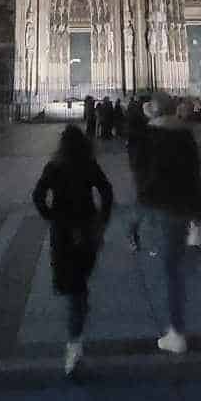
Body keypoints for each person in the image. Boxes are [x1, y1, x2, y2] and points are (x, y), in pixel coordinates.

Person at [32, 124, 114, 377]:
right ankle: (76, 331)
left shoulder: (54, 166)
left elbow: (37, 196)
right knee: (80, 282)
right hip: (87, 228)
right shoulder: (89, 164)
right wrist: (102, 219)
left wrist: (51, 217)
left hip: (63, 231)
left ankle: (74, 343)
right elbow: (107, 192)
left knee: (73, 286)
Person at [147, 100, 201, 354]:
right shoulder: (186, 138)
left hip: (165, 206)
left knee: (171, 267)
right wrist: (197, 212)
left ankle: (176, 331)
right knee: (174, 269)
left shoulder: (150, 138)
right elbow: (196, 175)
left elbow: (145, 179)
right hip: (183, 206)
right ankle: (177, 328)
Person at [126, 98, 154, 253]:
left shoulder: (142, 130)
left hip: (147, 173)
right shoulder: (140, 132)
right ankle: (133, 233)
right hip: (145, 174)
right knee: (143, 205)